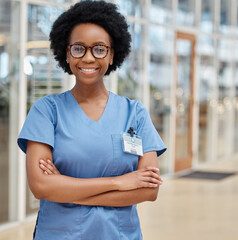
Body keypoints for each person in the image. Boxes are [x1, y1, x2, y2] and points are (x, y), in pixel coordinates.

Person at [17, 1, 167, 239]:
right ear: (67, 53)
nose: (88, 58)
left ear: (111, 55)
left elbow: (149, 191)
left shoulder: (134, 113)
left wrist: (65, 191)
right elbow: (41, 186)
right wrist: (120, 182)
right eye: (78, 48)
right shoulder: (47, 111)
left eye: (99, 49)